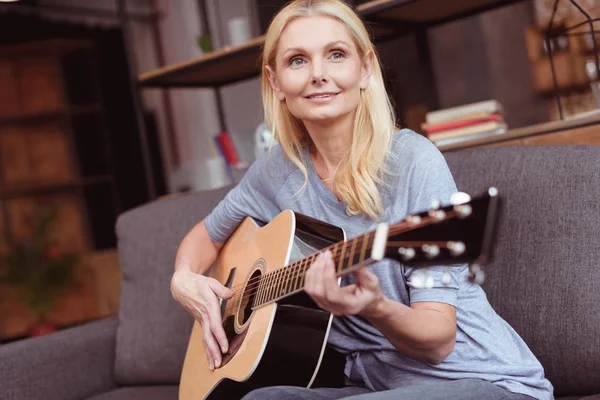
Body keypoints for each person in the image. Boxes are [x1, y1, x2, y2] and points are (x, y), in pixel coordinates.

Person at [170, 1, 554, 399]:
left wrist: (374, 306)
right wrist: (183, 279)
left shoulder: (412, 161)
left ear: (365, 69)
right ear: (275, 82)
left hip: (482, 382)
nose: (319, 75)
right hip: (374, 389)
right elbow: (206, 236)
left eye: (336, 55)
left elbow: (439, 340)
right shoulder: (276, 171)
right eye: (298, 60)